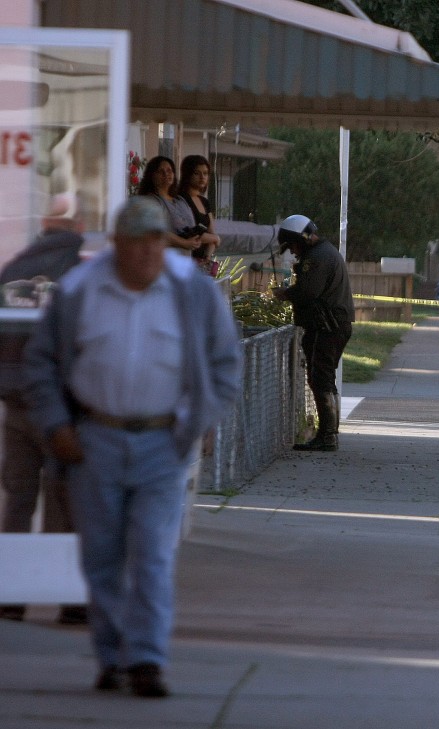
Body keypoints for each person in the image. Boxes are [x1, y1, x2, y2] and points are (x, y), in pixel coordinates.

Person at [23, 196, 242, 697]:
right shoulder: (81, 290)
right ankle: (111, 655)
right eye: (135, 243)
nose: (146, 253)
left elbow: (225, 366)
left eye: (155, 242)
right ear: (115, 245)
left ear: (165, 244)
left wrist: (196, 421)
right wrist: (57, 425)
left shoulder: (194, 293)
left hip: (163, 442)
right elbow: (41, 364)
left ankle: (145, 658)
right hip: (93, 440)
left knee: (151, 554)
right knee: (101, 555)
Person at [0, 193, 86, 624]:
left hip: (15, 406)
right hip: (60, 411)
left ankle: (11, 596)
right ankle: (67, 596)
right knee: (62, 500)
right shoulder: (81, 275)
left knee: (17, 499)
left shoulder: (14, 270)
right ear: (77, 227)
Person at [273, 215, 354, 452]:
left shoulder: (316, 258)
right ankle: (329, 433)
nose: (294, 252)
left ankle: (327, 436)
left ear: (302, 239)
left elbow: (308, 292)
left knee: (320, 379)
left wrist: (285, 293)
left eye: (293, 246)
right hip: (335, 324)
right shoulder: (326, 252)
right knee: (325, 378)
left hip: (325, 327)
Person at [137, 156, 204, 255]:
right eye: (161, 171)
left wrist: (195, 239)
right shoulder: (150, 201)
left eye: (169, 171)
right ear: (152, 176)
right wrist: (184, 243)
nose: (166, 174)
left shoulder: (180, 200)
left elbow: (190, 227)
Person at [177, 155, 222, 275]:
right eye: (197, 173)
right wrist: (214, 238)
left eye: (206, 173)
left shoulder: (205, 202)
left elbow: (212, 233)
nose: (202, 177)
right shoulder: (181, 200)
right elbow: (188, 233)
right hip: (185, 259)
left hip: (202, 263)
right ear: (188, 174)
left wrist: (207, 257)